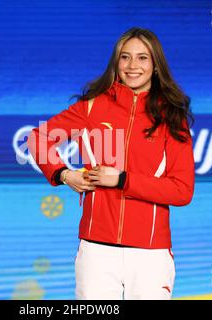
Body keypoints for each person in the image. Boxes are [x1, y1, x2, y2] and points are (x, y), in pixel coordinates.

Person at [27, 27, 195, 300]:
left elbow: (181, 190)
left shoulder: (171, 116)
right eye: (125, 57)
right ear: (116, 62)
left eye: (142, 58)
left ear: (155, 66)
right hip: (96, 251)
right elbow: (38, 139)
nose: (132, 66)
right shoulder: (92, 107)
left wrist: (121, 180)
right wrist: (64, 175)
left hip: (150, 255)